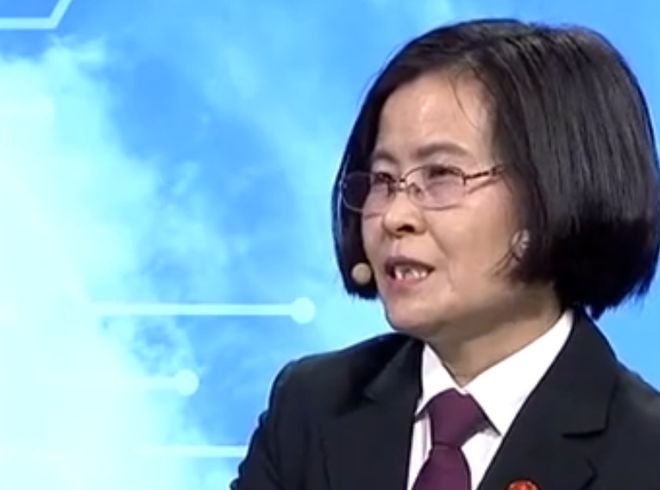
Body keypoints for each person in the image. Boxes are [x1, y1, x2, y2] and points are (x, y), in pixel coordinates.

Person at [231, 18, 660, 490]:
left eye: (440, 175)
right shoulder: (310, 408)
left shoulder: (645, 453)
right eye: (383, 179)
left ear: (556, 191)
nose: (394, 216)